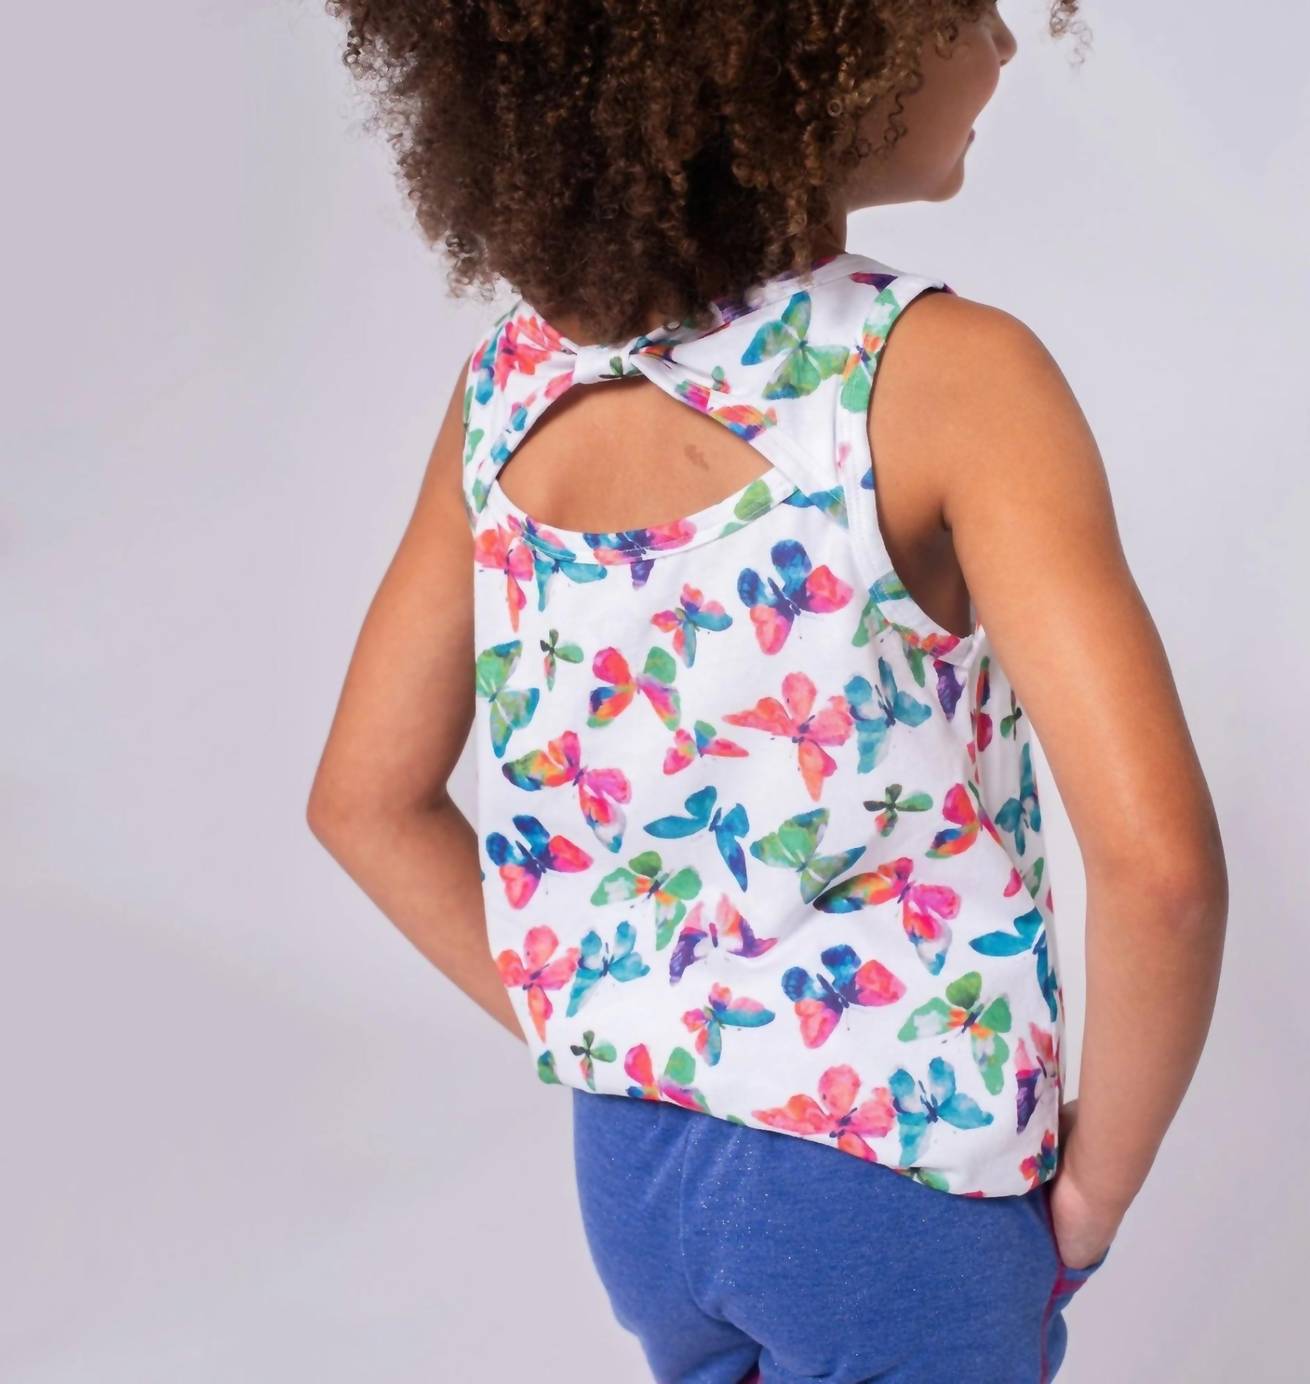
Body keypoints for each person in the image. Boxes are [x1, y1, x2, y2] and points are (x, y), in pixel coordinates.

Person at [307, 4, 1229, 1380]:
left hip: (636, 1182)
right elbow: (1162, 874)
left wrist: (630, 1035)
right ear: (810, 49)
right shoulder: (945, 376)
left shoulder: (512, 387)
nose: (1004, 45)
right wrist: (1094, 1196)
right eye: (965, 7)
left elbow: (363, 803)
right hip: (896, 1192)